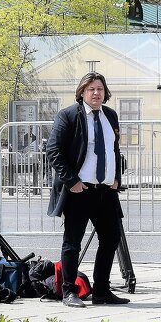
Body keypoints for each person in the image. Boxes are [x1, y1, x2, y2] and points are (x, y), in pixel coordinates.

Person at [46, 71, 130, 308]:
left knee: (111, 238)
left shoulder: (110, 116)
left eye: (100, 89)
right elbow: (54, 151)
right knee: (73, 242)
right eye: (91, 89)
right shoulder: (68, 115)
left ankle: (102, 290)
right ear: (82, 92)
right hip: (79, 191)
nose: (96, 93)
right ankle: (69, 291)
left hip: (105, 190)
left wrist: (116, 179)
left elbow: (114, 151)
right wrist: (71, 180)